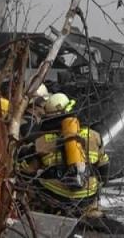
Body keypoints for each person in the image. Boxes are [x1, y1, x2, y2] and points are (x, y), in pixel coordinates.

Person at [17, 92, 111, 226]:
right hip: (86, 198)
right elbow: (104, 169)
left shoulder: (43, 140)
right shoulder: (94, 136)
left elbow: (27, 172)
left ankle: (46, 213)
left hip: (56, 198)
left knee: (33, 185)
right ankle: (90, 211)